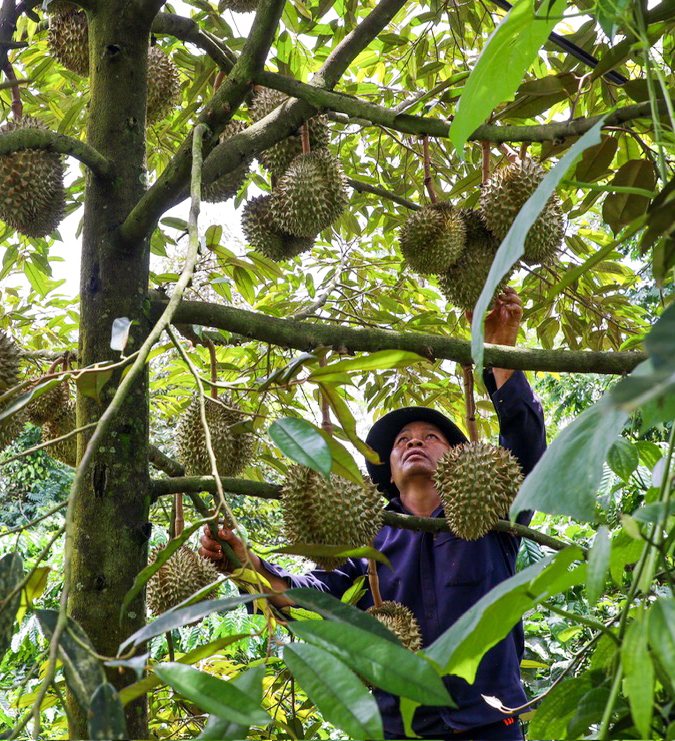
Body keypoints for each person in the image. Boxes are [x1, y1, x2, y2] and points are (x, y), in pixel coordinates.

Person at [199, 289, 545, 740]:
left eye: (430, 436)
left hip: (487, 724)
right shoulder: (369, 541)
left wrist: (500, 352)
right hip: (396, 729)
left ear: (460, 459)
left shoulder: (491, 517)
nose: (414, 441)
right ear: (389, 472)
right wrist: (248, 566)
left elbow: (526, 449)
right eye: (403, 440)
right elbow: (315, 598)